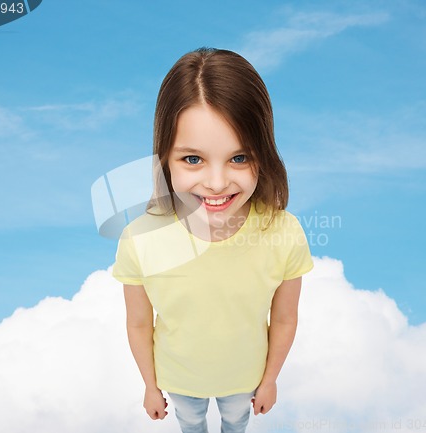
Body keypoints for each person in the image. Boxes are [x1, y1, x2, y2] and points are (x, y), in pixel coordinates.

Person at [112, 47, 313, 433]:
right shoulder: (139, 238)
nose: (217, 183)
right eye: (192, 160)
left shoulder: (284, 233)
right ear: (164, 159)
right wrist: (150, 386)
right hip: (180, 383)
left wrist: (270, 379)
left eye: (239, 158)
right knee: (191, 423)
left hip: (246, 381)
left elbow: (285, 318)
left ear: (264, 155)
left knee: (235, 423)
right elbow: (139, 323)